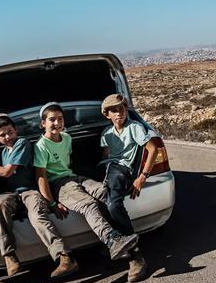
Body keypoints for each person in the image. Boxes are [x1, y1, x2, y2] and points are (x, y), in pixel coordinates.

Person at [0, 113, 78, 278]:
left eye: (10, 132)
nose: (8, 136)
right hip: (11, 194)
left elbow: (7, 172)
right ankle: (10, 257)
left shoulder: (22, 143)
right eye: (2, 135)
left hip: (29, 190)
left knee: (37, 216)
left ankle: (64, 256)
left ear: (16, 131)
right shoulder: (3, 153)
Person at [33, 102, 139, 262]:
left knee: (104, 192)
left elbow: (68, 163)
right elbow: (41, 177)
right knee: (88, 204)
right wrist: (52, 204)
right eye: (52, 120)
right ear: (43, 123)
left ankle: (123, 235)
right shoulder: (41, 146)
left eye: (60, 119)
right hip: (58, 184)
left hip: (73, 177)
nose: (57, 123)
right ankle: (112, 240)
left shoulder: (67, 138)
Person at [99, 93, 160, 283]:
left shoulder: (134, 127)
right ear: (106, 114)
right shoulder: (106, 134)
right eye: (114, 110)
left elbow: (153, 149)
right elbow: (106, 155)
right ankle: (114, 240)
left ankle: (135, 254)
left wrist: (142, 177)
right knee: (97, 199)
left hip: (122, 170)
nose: (119, 113)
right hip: (108, 168)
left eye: (122, 109)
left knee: (113, 205)